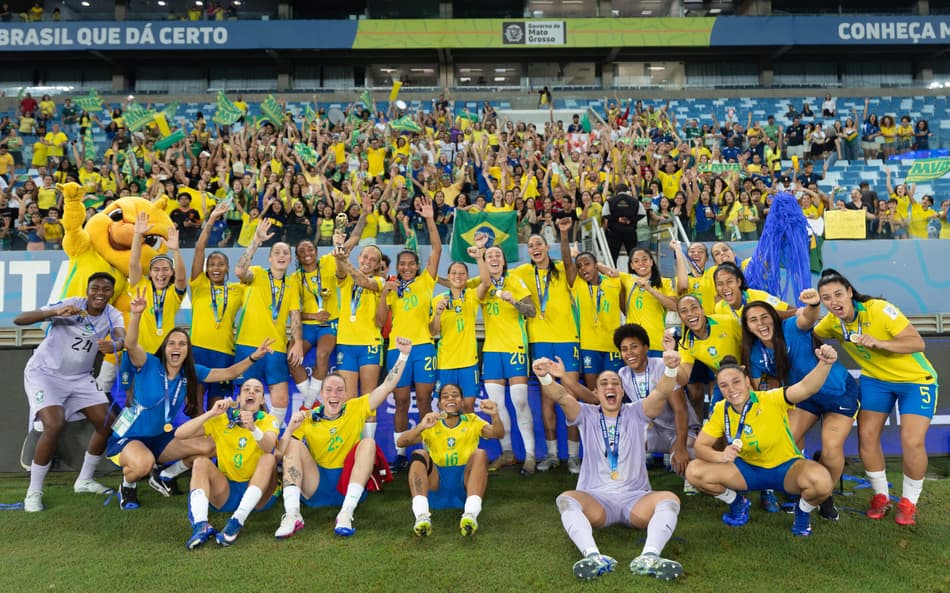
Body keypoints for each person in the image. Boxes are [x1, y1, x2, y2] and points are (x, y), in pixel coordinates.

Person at [106, 287, 273, 510]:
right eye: (172, 343)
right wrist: (136, 315)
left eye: (182, 344)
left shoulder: (191, 371)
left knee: (212, 445)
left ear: (187, 350)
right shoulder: (148, 363)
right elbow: (131, 344)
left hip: (161, 437)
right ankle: (128, 486)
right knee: (143, 464)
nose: (177, 347)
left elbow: (230, 373)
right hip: (131, 436)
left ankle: (165, 475)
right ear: (165, 348)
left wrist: (254, 356)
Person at [533, 353, 685, 582]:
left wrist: (671, 369)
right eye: (604, 383)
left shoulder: (636, 412)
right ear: (596, 393)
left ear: (622, 393)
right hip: (596, 498)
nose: (610, 386)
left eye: (615, 383)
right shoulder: (586, 413)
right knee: (566, 499)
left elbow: (662, 392)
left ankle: (649, 556)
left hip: (635, 498)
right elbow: (562, 397)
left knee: (670, 499)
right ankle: (593, 556)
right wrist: (545, 377)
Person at [814, 269, 937, 525]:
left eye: (838, 294)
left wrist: (881, 343)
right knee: (867, 436)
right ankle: (881, 496)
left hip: (915, 380)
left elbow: (917, 343)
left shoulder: (880, 309)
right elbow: (810, 329)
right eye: (826, 298)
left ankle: (908, 502)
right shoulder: (831, 323)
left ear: (849, 292)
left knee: (912, 441)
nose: (834, 302)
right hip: (875, 380)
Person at [685, 349, 838, 536]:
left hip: (785, 468)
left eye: (736, 382)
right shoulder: (720, 409)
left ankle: (802, 511)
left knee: (822, 482)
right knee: (693, 472)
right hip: (746, 470)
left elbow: (806, 388)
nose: (731, 390)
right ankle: (737, 502)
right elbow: (700, 447)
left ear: (747, 381)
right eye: (724, 386)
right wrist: (721, 455)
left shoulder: (771, 398)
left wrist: (825, 364)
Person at [274, 337, 413, 539]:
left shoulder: (355, 408)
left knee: (368, 443)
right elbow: (279, 453)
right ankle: (293, 514)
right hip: (316, 484)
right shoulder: (308, 416)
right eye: (329, 390)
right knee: (293, 446)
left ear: (346, 394)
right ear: (321, 394)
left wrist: (404, 355)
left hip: (348, 483)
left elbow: (386, 386)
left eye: (340, 390)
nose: (334, 395)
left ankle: (346, 512)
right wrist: (289, 431)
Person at [740, 291, 858, 520]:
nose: (761, 323)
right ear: (747, 327)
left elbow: (809, 317)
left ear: (774, 317)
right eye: (753, 320)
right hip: (804, 397)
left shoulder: (791, 327)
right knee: (787, 441)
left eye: (764, 317)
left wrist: (813, 303)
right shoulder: (755, 353)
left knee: (831, 448)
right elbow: (757, 391)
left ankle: (824, 495)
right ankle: (805, 487)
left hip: (838, 392)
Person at [17, 272, 126, 512]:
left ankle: (84, 480)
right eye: (95, 288)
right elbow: (20, 320)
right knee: (54, 424)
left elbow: (121, 337)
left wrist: (115, 345)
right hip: (45, 373)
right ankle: (33, 492)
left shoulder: (112, 314)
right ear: (87, 290)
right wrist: (53, 313)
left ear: (111, 293)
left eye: (106, 289)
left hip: (79, 378)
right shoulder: (70, 305)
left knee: (107, 422)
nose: (100, 293)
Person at [377, 196, 441, 470]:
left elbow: (437, 248)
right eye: (401, 264)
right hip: (396, 350)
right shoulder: (391, 288)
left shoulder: (426, 282)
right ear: (397, 267)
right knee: (401, 401)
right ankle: (401, 454)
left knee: (425, 400)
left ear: (416, 266)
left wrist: (428, 218)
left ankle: (426, 450)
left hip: (424, 347)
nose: (405, 267)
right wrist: (383, 294)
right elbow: (380, 323)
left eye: (410, 263)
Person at [513, 217, 581, 473]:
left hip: (566, 340)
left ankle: (573, 456)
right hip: (539, 341)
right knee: (548, 399)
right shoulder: (521, 272)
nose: (534, 248)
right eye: (530, 245)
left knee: (571, 396)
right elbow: (496, 273)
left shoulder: (562, 269)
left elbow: (567, 260)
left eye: (539, 243)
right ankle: (552, 455)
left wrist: (564, 235)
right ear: (528, 251)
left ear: (547, 247)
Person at [178, 379, 280, 549]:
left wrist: (253, 428)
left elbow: (269, 446)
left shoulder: (268, 420)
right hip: (226, 492)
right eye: (246, 389)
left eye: (257, 390)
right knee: (200, 462)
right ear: (238, 398)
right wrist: (211, 413)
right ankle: (201, 525)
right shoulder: (221, 419)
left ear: (262, 400)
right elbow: (180, 434)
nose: (251, 392)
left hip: (260, 495)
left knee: (268, 459)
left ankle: (237, 521)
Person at [397, 385, 504, 536]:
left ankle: (470, 515)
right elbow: (401, 442)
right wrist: (421, 426)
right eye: (445, 396)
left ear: (461, 402)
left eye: (455, 395)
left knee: (480, 454)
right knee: (419, 453)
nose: (450, 398)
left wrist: (495, 415)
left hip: (466, 484)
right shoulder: (432, 423)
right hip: (437, 482)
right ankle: (421, 516)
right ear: (439, 404)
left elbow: (498, 434)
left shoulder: (471, 420)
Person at [233, 219, 303, 428]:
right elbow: (239, 271)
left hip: (276, 348)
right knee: (245, 399)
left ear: (290, 260)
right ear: (270, 257)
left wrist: (297, 341)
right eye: (278, 252)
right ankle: (242, 438)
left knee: (280, 399)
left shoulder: (291, 284)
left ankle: (269, 439)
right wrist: (255, 241)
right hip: (248, 345)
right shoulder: (257, 273)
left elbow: (295, 316)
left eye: (286, 253)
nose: (282, 256)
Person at [614, 323, 700, 493]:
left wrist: (680, 446)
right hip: (654, 430)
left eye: (634, 347)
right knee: (620, 441)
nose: (629, 353)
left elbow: (680, 409)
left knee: (686, 453)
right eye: (624, 349)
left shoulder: (663, 365)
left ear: (646, 348)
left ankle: (692, 476)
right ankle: (631, 482)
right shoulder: (622, 374)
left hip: (681, 429)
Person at [475, 244, 538, 474]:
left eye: (497, 255)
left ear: (503, 261)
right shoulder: (482, 284)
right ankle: (508, 453)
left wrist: (514, 302)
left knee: (520, 401)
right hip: (491, 350)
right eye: (489, 255)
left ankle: (530, 455)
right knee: (497, 406)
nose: (493, 257)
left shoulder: (515, 281)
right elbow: (456, 283)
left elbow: (531, 312)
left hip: (515, 347)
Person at [189, 202, 244, 408]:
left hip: (224, 354)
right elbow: (199, 248)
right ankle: (195, 438)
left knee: (217, 406)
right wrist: (211, 220)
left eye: (220, 264)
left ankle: (214, 440)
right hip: (197, 351)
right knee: (195, 402)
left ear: (227, 267)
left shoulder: (238, 289)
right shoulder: (199, 285)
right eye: (211, 264)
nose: (216, 268)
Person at [430, 254, 482, 413]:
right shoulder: (438, 299)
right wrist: (438, 314)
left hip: (468, 363)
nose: (457, 276)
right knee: (446, 410)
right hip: (446, 363)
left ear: (467, 277)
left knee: (468, 408)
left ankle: (468, 438)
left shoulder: (472, 296)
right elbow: (432, 332)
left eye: (462, 273)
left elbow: (486, 282)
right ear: (448, 276)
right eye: (454, 273)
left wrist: (480, 256)